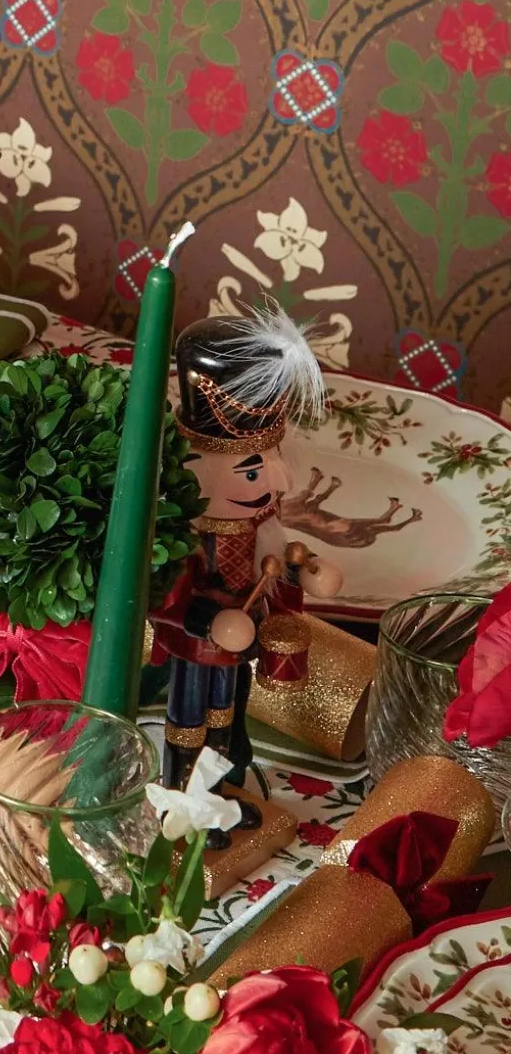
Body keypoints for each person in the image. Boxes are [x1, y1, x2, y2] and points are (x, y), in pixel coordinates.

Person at [156, 304, 340, 846]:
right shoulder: (185, 536)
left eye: (274, 457)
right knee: (190, 720)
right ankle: (185, 802)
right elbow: (163, 593)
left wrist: (303, 572)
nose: (279, 480)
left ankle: (222, 794)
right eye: (253, 469)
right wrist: (209, 619)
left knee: (228, 719)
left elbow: (276, 570)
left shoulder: (260, 529)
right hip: (199, 647)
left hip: (240, 645)